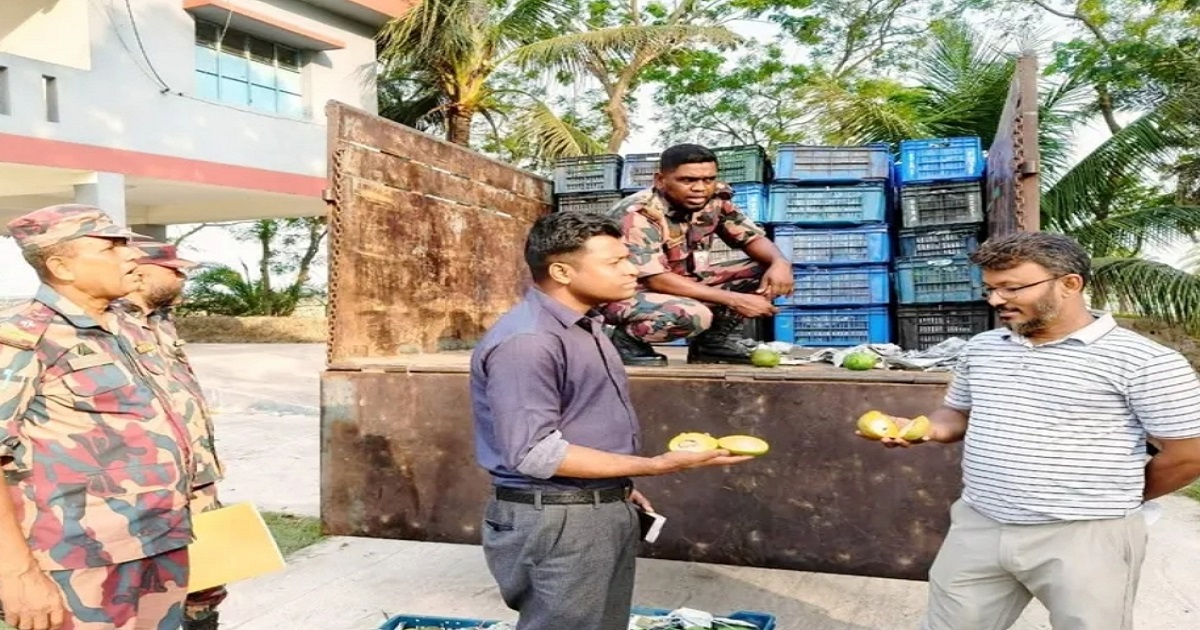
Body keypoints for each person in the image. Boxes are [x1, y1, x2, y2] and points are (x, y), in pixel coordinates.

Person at [863, 232, 1200, 630]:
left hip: (1086, 537)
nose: (995, 300)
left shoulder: (1145, 362)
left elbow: (1188, 454)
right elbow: (957, 414)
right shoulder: (983, 348)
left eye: (1012, 287)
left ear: (1070, 284)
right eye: (990, 288)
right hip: (980, 524)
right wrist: (925, 430)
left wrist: (1112, 499)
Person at [470, 211, 754, 630]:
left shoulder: (586, 326)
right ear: (562, 271)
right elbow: (534, 452)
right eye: (615, 262)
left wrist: (616, 486)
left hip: (594, 504)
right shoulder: (529, 342)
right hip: (559, 520)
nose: (632, 269)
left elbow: (580, 419)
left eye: (628, 258)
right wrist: (655, 466)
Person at [0, 205, 194, 630]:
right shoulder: (24, 337)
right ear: (60, 266)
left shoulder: (130, 328)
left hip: (160, 540)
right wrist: (16, 573)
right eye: (111, 247)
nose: (130, 256)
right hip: (78, 558)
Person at [115, 242, 226, 630]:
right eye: (174, 270)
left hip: (195, 478)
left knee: (207, 576)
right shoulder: (104, 324)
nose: (183, 277)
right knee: (143, 590)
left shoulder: (160, 321)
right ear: (139, 271)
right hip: (139, 487)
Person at [601, 143, 794, 366]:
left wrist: (780, 262)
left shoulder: (713, 200)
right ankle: (626, 341)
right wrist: (735, 299)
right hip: (620, 293)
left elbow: (752, 238)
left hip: (678, 281)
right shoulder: (639, 214)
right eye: (687, 180)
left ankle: (712, 345)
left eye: (708, 179)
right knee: (693, 315)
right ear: (660, 180)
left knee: (766, 268)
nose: (700, 188)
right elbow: (654, 279)